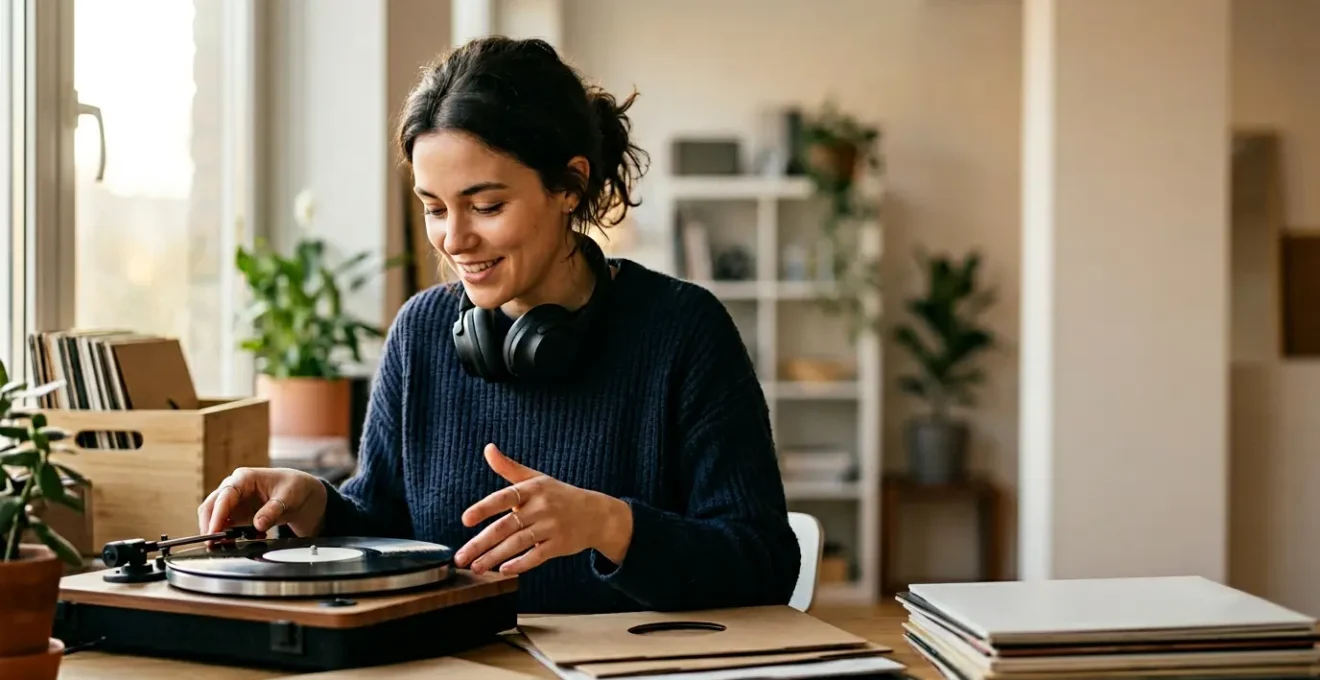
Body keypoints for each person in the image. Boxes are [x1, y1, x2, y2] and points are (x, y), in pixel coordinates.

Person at [197, 35, 801, 614]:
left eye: (486, 206)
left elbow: (767, 564)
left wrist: (609, 525)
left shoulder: (684, 331)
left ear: (570, 185)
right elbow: (382, 528)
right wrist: (315, 504)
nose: (454, 240)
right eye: (434, 208)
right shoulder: (420, 333)